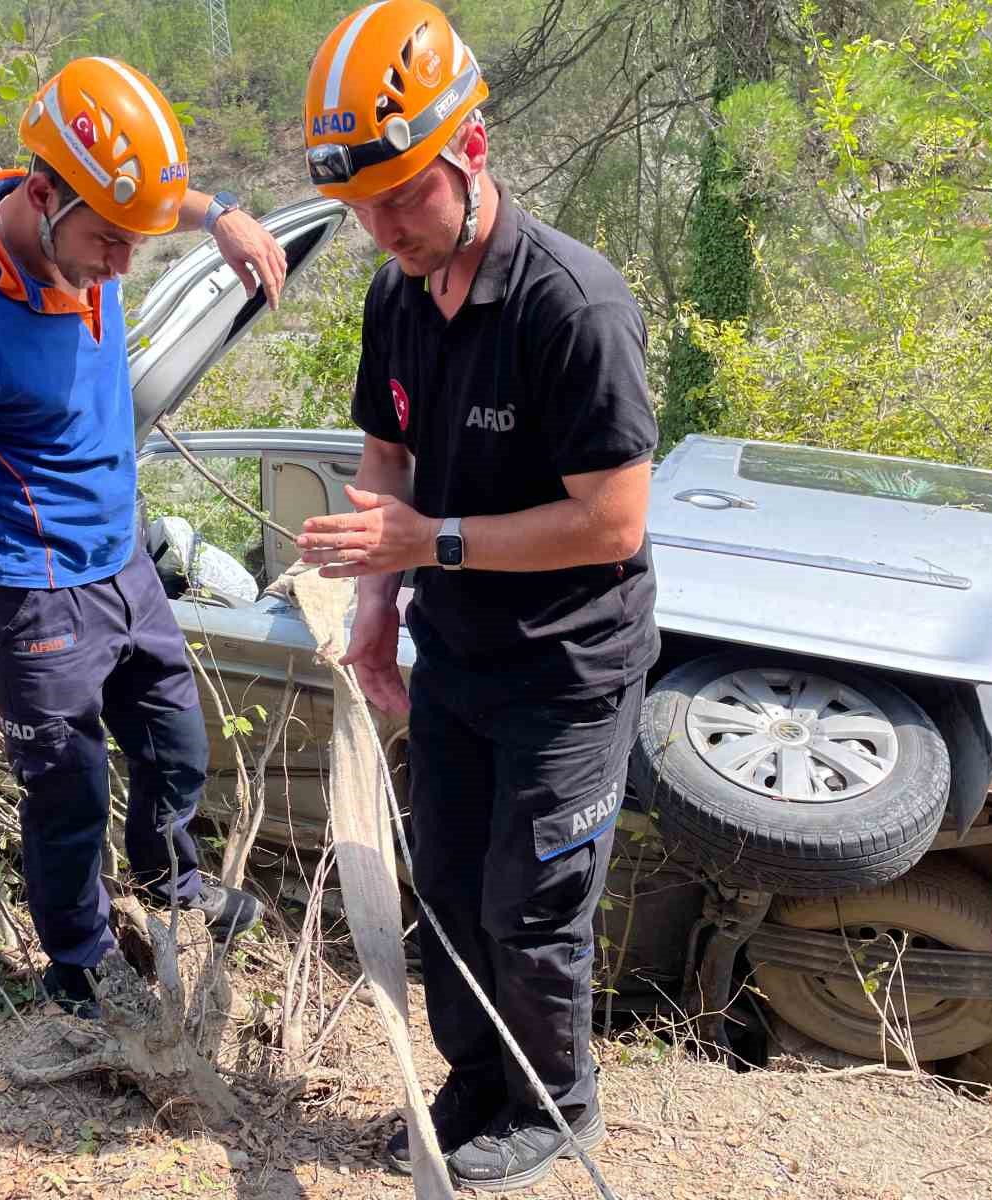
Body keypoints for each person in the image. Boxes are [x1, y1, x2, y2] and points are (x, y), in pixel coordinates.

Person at [297, 4, 660, 1191]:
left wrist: (430, 546)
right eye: (365, 205)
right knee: (447, 886)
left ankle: (553, 1106)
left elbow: (613, 519)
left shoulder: (574, 306)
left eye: (406, 196)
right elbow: (387, 462)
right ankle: (475, 1075)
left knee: (533, 902)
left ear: (474, 154)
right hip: (454, 653)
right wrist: (371, 614)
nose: (385, 227)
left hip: (569, 666)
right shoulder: (397, 299)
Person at [0, 56, 283, 1019]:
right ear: (43, 193)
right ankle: (79, 965)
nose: (122, 266)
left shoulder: (88, 225)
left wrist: (219, 210)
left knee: (177, 745)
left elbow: (153, 201)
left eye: (132, 238)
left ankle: (172, 884)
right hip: (28, 585)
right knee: (67, 792)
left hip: (121, 557)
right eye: (109, 240)